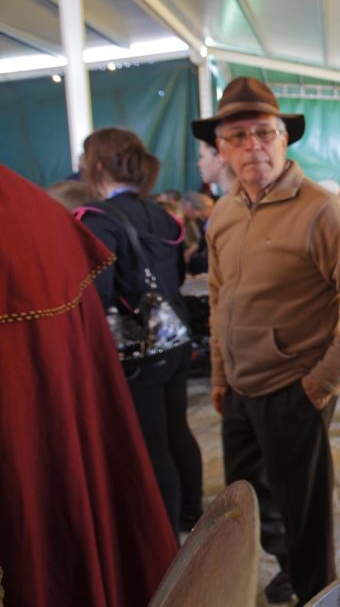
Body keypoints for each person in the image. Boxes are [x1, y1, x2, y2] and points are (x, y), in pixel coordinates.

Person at [193, 76, 340, 603]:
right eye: (238, 136)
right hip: (237, 388)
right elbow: (218, 297)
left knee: (306, 514)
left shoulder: (322, 211)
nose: (253, 145)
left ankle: (316, 591)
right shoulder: (225, 213)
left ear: (284, 138)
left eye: (265, 132)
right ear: (222, 149)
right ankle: (286, 569)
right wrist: (218, 374)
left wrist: (322, 383)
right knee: (249, 500)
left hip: (293, 389)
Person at [0, 165, 178, 606]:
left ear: (98, 168)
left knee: (165, 442)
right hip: (164, 345)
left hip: (140, 351)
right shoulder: (41, 210)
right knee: (168, 443)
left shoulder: (82, 217)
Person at [78, 128, 204, 538]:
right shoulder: (162, 215)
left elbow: (96, 294)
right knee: (177, 429)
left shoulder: (97, 220)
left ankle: (165, 540)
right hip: (177, 338)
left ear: (96, 165)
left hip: (136, 351)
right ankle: (192, 514)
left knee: (153, 446)